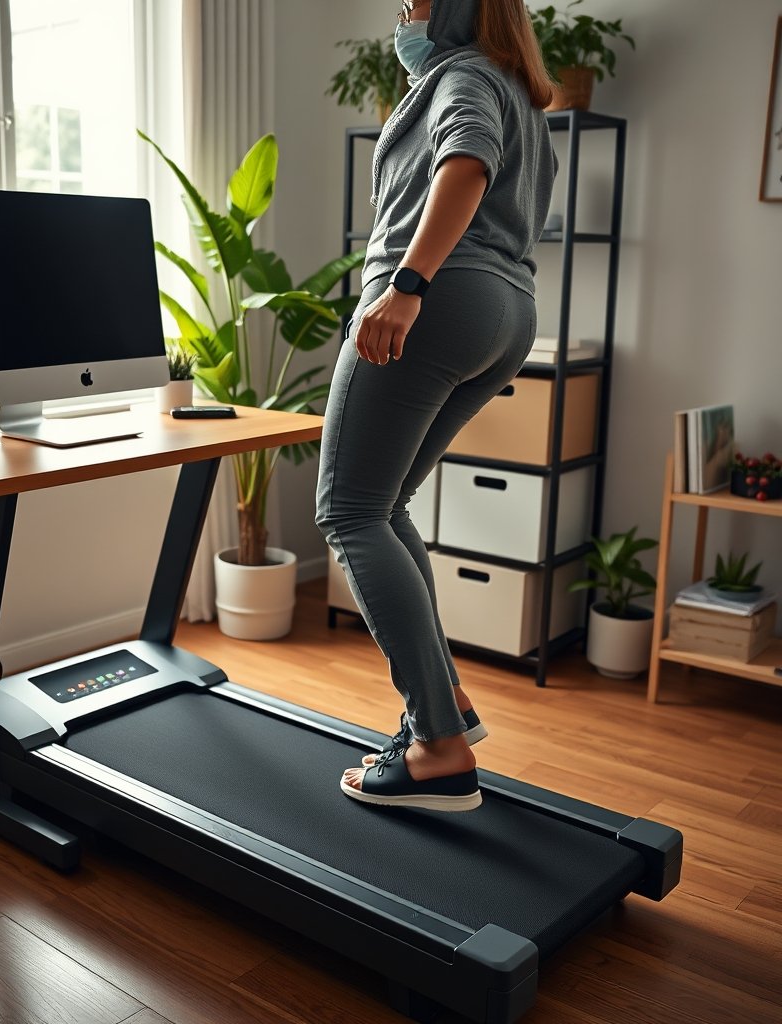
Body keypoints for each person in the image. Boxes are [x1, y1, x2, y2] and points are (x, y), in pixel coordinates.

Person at [315, 0, 556, 812]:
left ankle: (437, 746)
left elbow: (466, 163)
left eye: (412, 1)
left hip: (440, 298)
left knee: (347, 512)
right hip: (508, 311)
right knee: (386, 505)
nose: (402, 14)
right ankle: (444, 702)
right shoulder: (515, 87)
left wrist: (405, 286)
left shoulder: (462, 76)